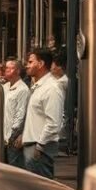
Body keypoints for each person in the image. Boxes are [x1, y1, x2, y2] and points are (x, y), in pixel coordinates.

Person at [19, 49, 64, 178]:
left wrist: (40, 146)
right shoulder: (39, 86)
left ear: (41, 64)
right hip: (33, 145)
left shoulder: (51, 88)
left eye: (30, 62)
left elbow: (53, 123)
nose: (27, 65)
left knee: (39, 187)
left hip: (40, 147)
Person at [0, 57, 30, 167]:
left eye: (10, 68)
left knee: (14, 166)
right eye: (6, 68)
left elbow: (21, 113)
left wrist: (14, 133)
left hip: (13, 134)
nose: (7, 70)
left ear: (18, 71)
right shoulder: (4, 87)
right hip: (3, 134)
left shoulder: (23, 89)